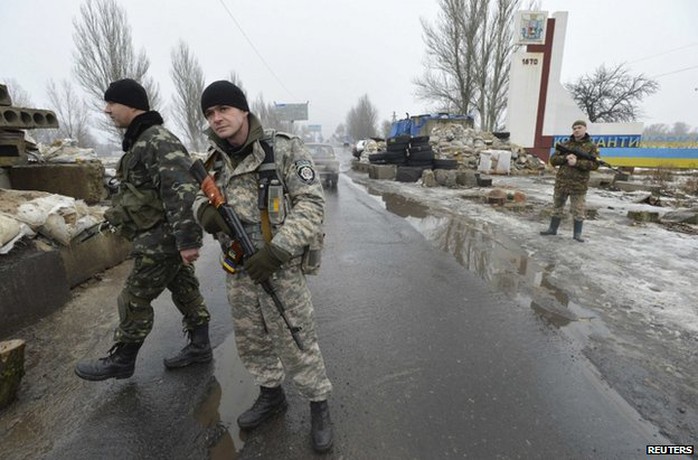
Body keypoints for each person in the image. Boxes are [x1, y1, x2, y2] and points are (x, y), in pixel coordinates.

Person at [195, 80, 333, 453]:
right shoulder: (211, 162)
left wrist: (278, 251)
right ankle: (271, 395)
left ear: (243, 110)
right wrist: (204, 211)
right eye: (209, 113)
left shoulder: (282, 149)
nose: (217, 118)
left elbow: (311, 206)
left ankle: (319, 404)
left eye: (223, 109)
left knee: (296, 337)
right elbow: (195, 197)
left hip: (279, 268)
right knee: (251, 340)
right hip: (239, 271)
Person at [75, 78, 212, 381]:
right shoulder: (141, 141)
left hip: (161, 240)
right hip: (158, 237)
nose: (106, 109)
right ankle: (201, 345)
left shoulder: (156, 139)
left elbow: (182, 191)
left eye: (112, 103)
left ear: (132, 105)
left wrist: (188, 240)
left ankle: (123, 360)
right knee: (185, 288)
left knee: (134, 297)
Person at [540, 119, 600, 242]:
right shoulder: (566, 144)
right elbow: (553, 160)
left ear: (585, 129)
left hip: (579, 185)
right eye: (574, 128)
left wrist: (577, 163)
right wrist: (565, 158)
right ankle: (552, 229)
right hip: (562, 182)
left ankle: (577, 234)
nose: (576, 130)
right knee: (557, 207)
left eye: (579, 127)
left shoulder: (591, 147)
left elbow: (595, 165)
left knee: (578, 210)